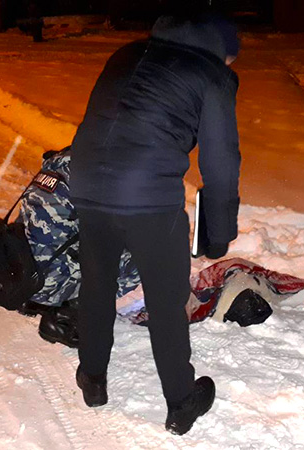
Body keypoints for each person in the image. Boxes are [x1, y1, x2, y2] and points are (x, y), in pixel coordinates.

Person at [68, 14, 241, 435]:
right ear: (223, 50)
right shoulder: (211, 75)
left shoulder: (127, 53)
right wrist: (218, 236)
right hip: (148, 196)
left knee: (97, 282)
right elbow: (220, 165)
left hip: (87, 180)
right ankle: (181, 402)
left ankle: (92, 378)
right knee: (166, 300)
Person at [17, 147, 140, 348]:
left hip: (19, 270)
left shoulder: (67, 157)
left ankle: (35, 299)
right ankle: (68, 314)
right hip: (45, 283)